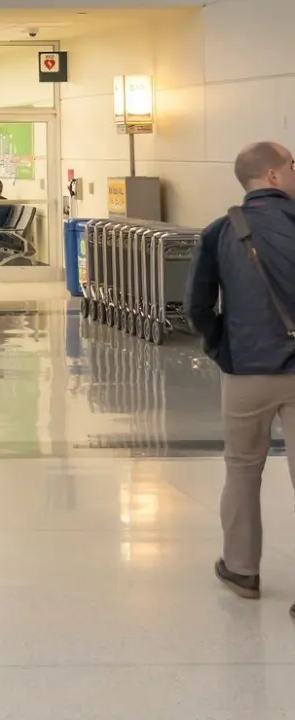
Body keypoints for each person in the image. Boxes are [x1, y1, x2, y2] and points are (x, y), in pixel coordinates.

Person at [185, 141, 295, 604]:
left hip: (246, 370)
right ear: (272, 175)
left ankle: (242, 570)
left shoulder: (218, 232)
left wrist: (221, 347)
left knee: (243, 470)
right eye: (292, 165)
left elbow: (197, 307)